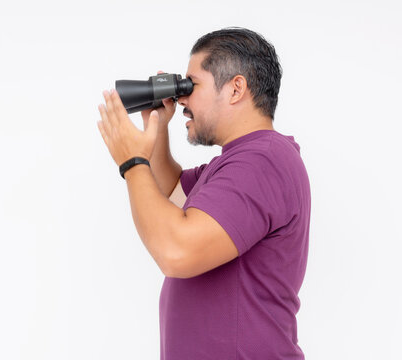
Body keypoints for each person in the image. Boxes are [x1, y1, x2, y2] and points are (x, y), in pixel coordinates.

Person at [97, 27, 311, 360]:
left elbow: (175, 250)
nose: (181, 98)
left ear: (236, 88)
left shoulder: (262, 160)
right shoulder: (238, 162)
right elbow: (169, 197)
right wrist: (155, 126)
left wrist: (132, 162)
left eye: (190, 85)